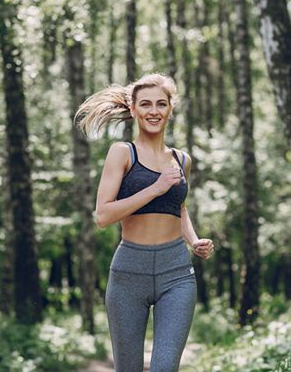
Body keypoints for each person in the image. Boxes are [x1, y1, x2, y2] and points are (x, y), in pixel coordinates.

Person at [74, 73, 214, 372]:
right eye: (146, 104)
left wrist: (194, 240)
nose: (154, 111)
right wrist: (155, 187)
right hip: (129, 273)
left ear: (170, 110)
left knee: (164, 368)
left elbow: (178, 207)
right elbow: (103, 216)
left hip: (176, 271)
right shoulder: (122, 153)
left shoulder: (181, 159)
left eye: (161, 104)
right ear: (134, 109)